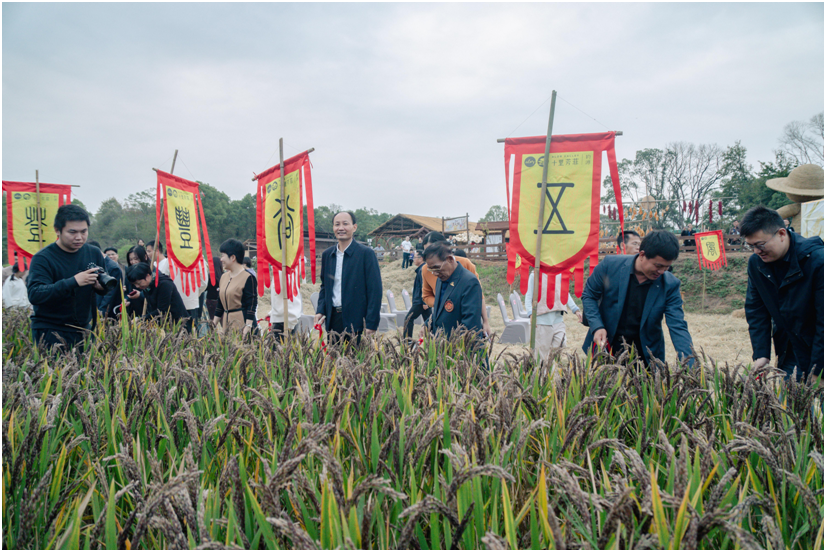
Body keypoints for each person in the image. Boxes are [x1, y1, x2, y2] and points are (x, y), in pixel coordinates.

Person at [581, 230, 694, 366]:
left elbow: (677, 326)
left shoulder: (670, 284)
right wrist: (597, 326)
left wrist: (690, 365)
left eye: (667, 267)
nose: (662, 272)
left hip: (645, 354)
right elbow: (589, 295)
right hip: (607, 346)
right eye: (658, 266)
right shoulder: (610, 266)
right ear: (642, 254)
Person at [741, 206, 823, 381]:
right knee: (789, 405)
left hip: (819, 349)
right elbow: (756, 310)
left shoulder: (817, 261)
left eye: (760, 245)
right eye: (751, 246)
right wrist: (761, 353)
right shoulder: (757, 264)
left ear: (781, 234)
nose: (756, 251)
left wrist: (818, 370)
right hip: (790, 349)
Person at [26, 204, 108, 351]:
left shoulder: (94, 253)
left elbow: (102, 286)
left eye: (84, 231)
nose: (79, 237)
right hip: (50, 330)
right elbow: (35, 294)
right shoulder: (43, 258)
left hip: (83, 329)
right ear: (58, 230)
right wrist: (74, 282)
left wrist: (101, 288)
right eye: (72, 232)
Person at [314, 211, 382, 346]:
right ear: (333, 228)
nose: (341, 228)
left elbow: (375, 290)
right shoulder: (328, 255)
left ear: (354, 227)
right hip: (333, 318)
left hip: (357, 320)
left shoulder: (365, 254)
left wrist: (371, 323)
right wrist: (321, 309)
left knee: (356, 362)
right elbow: (324, 286)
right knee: (334, 361)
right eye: (337, 224)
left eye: (345, 224)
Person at [420, 232, 492, 336]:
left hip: (459, 345)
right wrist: (428, 323)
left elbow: (470, 323)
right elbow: (435, 303)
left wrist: (485, 321)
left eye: (436, 268)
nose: (434, 273)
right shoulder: (441, 276)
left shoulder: (469, 280)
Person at [525, 271, 582, 361]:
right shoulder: (535, 275)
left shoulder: (560, 274)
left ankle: (552, 371)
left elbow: (565, 293)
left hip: (558, 320)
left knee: (559, 347)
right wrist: (530, 314)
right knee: (541, 356)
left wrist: (575, 309)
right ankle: (542, 374)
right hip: (541, 321)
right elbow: (528, 296)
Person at [212, 239, 258, 337]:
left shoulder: (248, 278)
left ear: (233, 257)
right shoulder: (224, 277)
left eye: (223, 256)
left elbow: (252, 304)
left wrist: (248, 326)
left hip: (242, 324)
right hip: (226, 324)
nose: (221, 259)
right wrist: (213, 324)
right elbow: (220, 303)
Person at [126, 262, 190, 329]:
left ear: (147, 276)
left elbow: (162, 310)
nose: (137, 286)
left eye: (139, 283)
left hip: (177, 324)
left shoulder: (164, 284)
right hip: (162, 323)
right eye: (134, 284)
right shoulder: (148, 285)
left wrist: (141, 319)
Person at [88, 240, 123, 318]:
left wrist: (102, 310)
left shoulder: (112, 267)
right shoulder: (95, 263)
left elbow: (111, 293)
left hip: (106, 310)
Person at [403, 249, 431, 343]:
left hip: (420, 301)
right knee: (430, 321)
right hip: (422, 301)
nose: (413, 259)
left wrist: (424, 302)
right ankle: (432, 339)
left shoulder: (423, 269)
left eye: (415, 257)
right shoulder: (421, 269)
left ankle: (407, 341)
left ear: (421, 258)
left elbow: (425, 286)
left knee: (408, 319)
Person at [269, 266, 303, 339]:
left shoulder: (283, 268)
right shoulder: (280, 268)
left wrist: (290, 320)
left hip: (285, 318)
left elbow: (288, 296)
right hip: (284, 316)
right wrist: (271, 312)